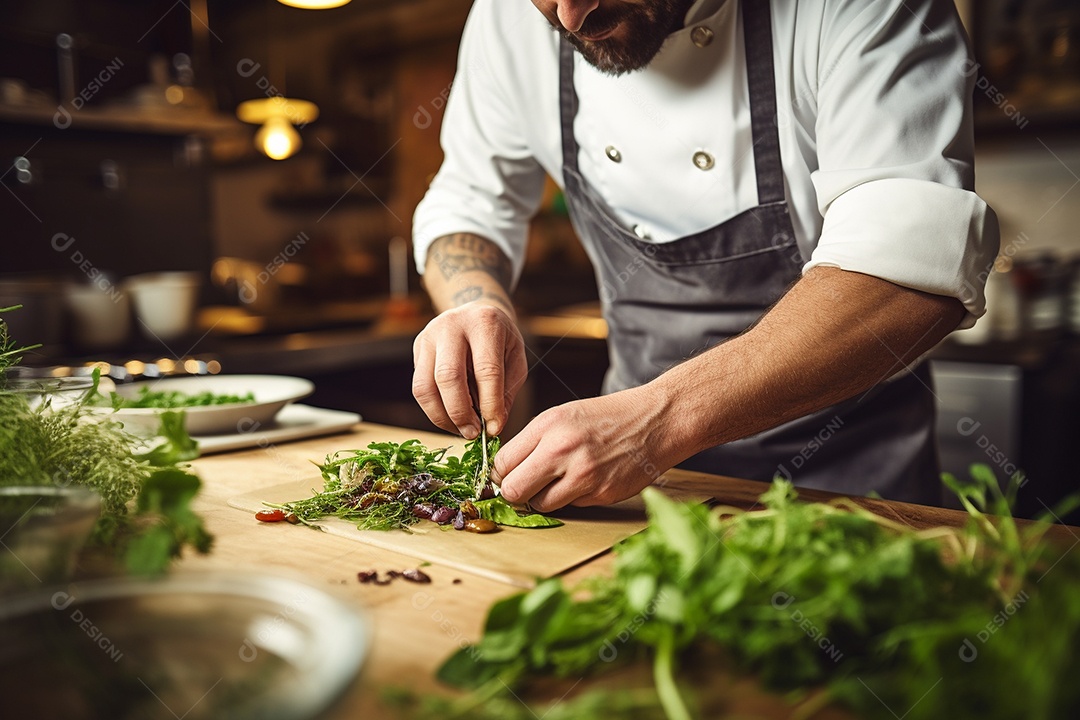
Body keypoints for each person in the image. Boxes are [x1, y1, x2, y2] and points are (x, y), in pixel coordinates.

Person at [410, 0, 1000, 509]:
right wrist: (475, 302)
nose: (571, 17)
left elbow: (905, 268)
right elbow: (469, 203)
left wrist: (656, 422)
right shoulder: (505, 20)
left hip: (848, 485)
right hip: (639, 496)